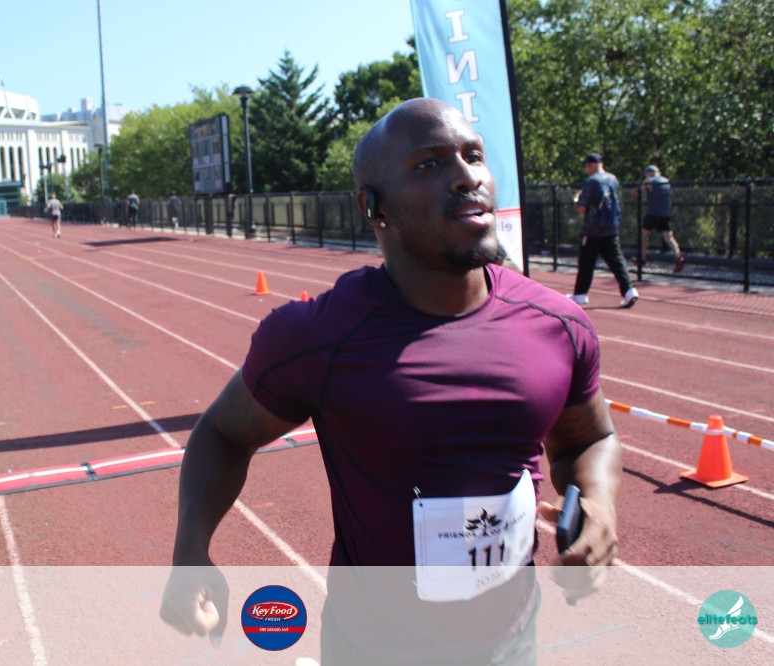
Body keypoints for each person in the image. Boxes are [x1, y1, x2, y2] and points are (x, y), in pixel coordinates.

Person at [160, 98, 622, 664]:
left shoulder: (558, 325)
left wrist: (598, 500)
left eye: (474, 155)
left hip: (513, 642)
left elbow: (588, 439)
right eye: (429, 163)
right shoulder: (318, 336)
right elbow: (224, 433)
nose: (466, 176)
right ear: (372, 206)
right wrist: (191, 551)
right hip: (371, 648)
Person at [568, 153, 639, 308]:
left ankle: (580, 294)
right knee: (617, 261)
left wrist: (576, 199)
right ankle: (629, 290)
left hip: (592, 229)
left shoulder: (591, 181)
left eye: (586, 166)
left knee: (586, 262)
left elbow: (581, 207)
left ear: (591, 165)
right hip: (611, 228)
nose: (586, 169)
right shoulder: (613, 179)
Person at [638, 165, 684, 272]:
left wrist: (641, 188)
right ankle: (678, 257)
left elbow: (642, 191)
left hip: (653, 213)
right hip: (665, 213)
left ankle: (642, 259)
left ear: (649, 174)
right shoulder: (666, 181)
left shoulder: (650, 181)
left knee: (644, 235)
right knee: (669, 237)